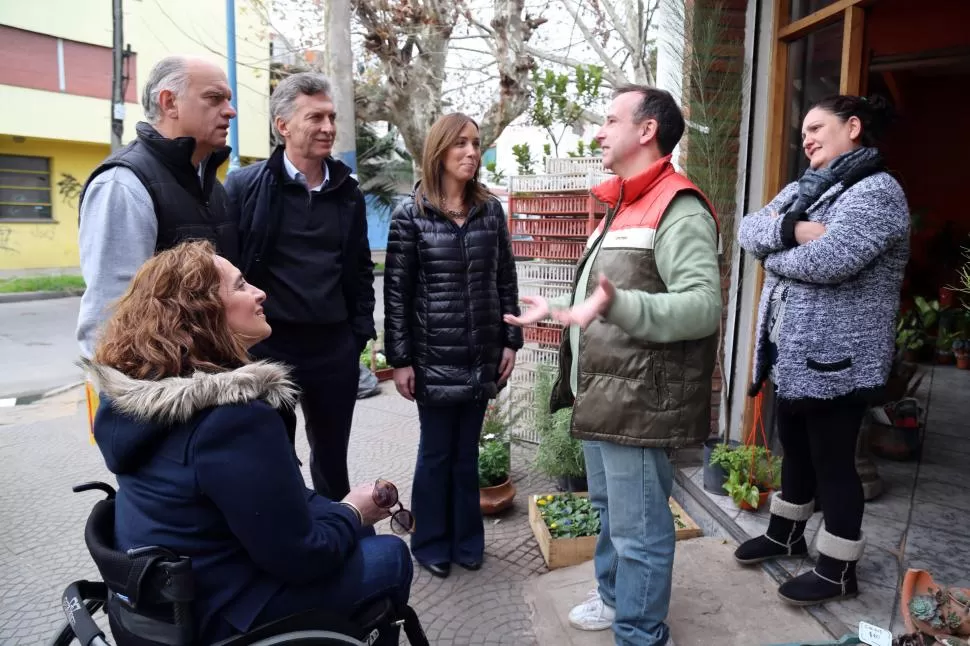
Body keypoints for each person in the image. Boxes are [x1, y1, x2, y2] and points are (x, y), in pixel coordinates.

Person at [82, 240, 413, 644]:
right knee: (389, 557)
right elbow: (303, 558)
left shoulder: (139, 402)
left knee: (353, 533)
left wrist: (342, 515)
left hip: (165, 602)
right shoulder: (233, 421)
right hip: (220, 616)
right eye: (240, 286)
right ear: (202, 315)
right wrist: (352, 512)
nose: (260, 293)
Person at [505, 86, 721, 646]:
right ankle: (612, 598)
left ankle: (641, 633)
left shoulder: (680, 207)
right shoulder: (624, 202)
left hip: (640, 402)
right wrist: (557, 309)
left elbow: (701, 307)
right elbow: (602, 298)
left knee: (642, 529)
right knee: (610, 511)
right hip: (604, 393)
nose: (599, 131)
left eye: (609, 120)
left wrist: (618, 304)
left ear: (647, 130)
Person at [734, 95, 909, 605]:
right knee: (795, 447)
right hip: (792, 352)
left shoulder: (878, 192)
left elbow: (831, 261)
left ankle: (837, 569)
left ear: (853, 127)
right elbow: (750, 229)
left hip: (840, 360)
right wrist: (792, 229)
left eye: (817, 127)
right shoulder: (805, 189)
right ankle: (786, 534)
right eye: (803, 131)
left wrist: (773, 254)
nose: (806, 138)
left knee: (834, 462)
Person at [383, 113, 522, 579]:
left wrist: (511, 340)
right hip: (433, 357)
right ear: (438, 151)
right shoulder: (411, 216)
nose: (470, 152)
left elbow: (506, 279)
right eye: (460, 144)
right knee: (437, 452)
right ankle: (430, 542)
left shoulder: (490, 212)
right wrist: (400, 359)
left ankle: (467, 541)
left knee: (467, 454)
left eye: (476, 144)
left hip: (481, 353)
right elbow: (397, 294)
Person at [225, 72, 375, 501]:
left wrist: (358, 335)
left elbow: (360, 269)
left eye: (331, 117)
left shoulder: (348, 192)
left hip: (334, 349)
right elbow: (229, 271)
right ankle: (293, 543)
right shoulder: (243, 187)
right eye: (316, 117)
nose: (329, 127)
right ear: (283, 125)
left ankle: (339, 536)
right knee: (274, 457)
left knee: (332, 459)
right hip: (271, 350)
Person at [76, 55, 239, 359]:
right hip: (160, 388)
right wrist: (124, 399)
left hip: (209, 378)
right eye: (214, 99)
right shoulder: (123, 184)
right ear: (169, 103)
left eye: (228, 100)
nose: (230, 111)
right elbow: (110, 311)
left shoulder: (209, 183)